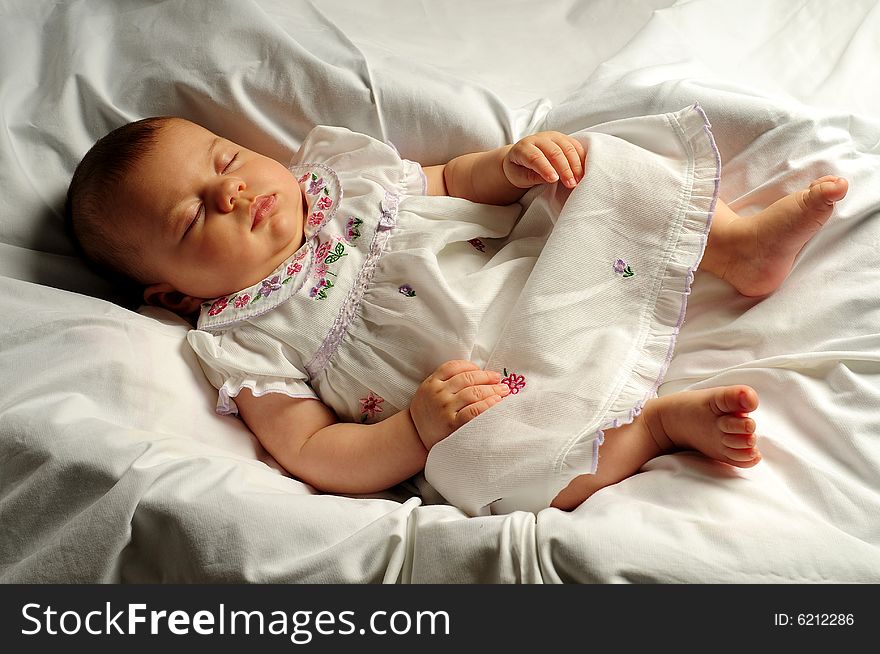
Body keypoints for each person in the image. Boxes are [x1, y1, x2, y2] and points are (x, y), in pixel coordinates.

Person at [65, 111, 849, 512]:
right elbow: (310, 451)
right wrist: (414, 432)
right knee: (491, 471)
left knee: (595, 165)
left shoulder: (342, 180)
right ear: (171, 293)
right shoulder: (240, 340)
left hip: (553, 278)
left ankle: (735, 246)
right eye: (195, 217)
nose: (231, 190)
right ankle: (658, 427)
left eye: (226, 160)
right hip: (494, 395)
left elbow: (449, 180)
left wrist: (509, 168)